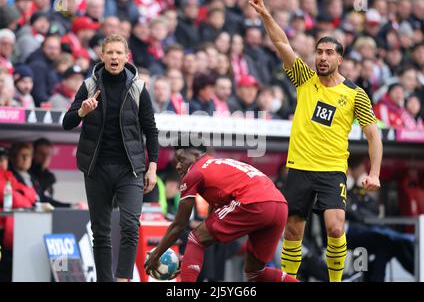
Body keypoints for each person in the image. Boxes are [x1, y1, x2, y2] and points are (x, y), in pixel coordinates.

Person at [249, 0, 383, 282]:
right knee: (293, 230)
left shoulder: (355, 94)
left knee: (336, 228)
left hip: (332, 170)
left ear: (340, 59)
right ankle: (289, 279)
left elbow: (374, 135)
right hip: (298, 168)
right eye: (319, 52)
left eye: (329, 53)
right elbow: (281, 42)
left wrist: (374, 173)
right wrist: (265, 14)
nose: (322, 57)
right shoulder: (304, 79)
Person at [62, 34, 159, 282]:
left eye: (119, 53)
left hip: (130, 169)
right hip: (97, 167)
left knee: (129, 226)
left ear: (126, 57)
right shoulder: (89, 86)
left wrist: (152, 167)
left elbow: (151, 129)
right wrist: (83, 110)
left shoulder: (138, 87)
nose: (114, 57)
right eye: (110, 52)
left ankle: (123, 278)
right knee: (101, 232)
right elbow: (67, 122)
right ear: (102, 56)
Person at [145, 140, 298, 282]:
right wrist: (191, 260)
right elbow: (211, 226)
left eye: (181, 159)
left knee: (194, 238)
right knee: (255, 273)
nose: (177, 166)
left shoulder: (194, 172)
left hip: (253, 202)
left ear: (195, 155)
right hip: (279, 205)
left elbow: (179, 224)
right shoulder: (220, 165)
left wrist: (156, 254)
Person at [0, 146, 37, 282]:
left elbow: (31, 194)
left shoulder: (9, 175)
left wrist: (21, 197)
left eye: (3, 159)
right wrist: (22, 198)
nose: (1, 162)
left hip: (8, 233)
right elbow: (11, 197)